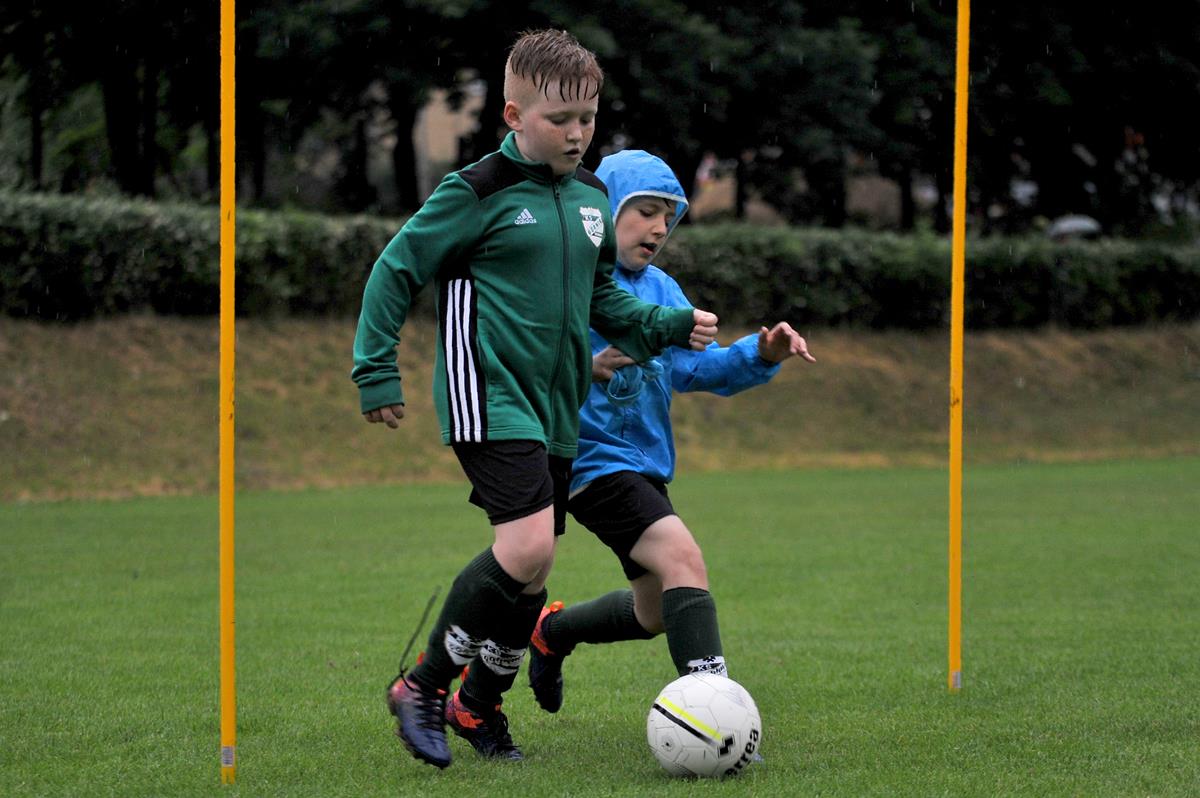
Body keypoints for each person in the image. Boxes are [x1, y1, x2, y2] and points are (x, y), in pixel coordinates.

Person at [352, 32, 720, 769]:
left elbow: (604, 300)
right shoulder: (476, 189)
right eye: (560, 119)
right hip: (487, 392)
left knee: (531, 575)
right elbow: (397, 268)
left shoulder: (590, 200)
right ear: (515, 115)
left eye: (588, 118)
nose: (578, 134)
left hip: (555, 408)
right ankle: (421, 687)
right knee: (527, 548)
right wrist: (375, 370)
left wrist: (667, 325)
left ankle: (478, 707)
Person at [525, 149, 816, 716]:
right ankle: (715, 716)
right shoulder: (568, 282)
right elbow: (531, 364)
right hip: (590, 462)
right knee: (684, 558)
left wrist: (760, 353)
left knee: (654, 611)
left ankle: (552, 633)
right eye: (645, 212)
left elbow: (697, 369)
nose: (659, 228)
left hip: (645, 467)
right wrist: (587, 367)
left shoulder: (662, 289)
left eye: (668, 217)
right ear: (603, 212)